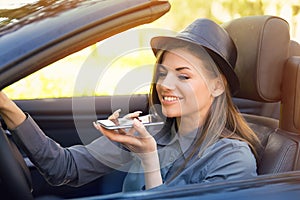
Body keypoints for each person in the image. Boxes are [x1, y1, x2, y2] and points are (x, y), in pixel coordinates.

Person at [0, 18, 261, 192]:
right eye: (162, 73)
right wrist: (6, 107)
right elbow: (63, 169)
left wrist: (148, 159)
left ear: (217, 85)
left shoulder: (233, 159)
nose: (165, 84)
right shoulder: (150, 131)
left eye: (183, 75)